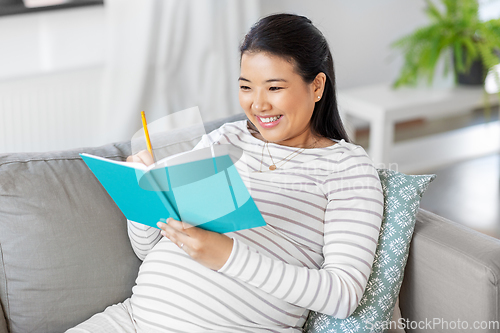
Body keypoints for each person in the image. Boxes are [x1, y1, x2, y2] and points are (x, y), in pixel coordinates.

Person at [68, 13, 383, 333]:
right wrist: (143, 192)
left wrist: (228, 256)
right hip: (131, 320)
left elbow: (343, 295)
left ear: (316, 86)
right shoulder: (226, 138)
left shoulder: (347, 168)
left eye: (274, 87)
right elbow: (149, 248)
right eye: (246, 87)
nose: (258, 105)